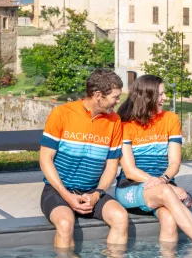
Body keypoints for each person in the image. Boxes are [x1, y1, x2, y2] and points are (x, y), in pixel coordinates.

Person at [115, 75, 192, 250]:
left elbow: (174, 162)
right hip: (130, 188)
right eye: (161, 94)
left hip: (163, 186)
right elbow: (130, 171)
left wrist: (164, 180)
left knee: (170, 220)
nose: (165, 98)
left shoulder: (170, 119)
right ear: (147, 97)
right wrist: (168, 186)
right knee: (164, 191)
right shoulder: (125, 125)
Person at [39, 68, 129, 251]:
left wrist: (96, 194)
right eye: (115, 97)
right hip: (58, 191)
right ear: (98, 95)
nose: (119, 101)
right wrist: (67, 196)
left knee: (121, 217)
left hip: (92, 192)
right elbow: (45, 159)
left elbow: (112, 166)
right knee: (65, 223)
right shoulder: (62, 113)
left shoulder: (115, 121)